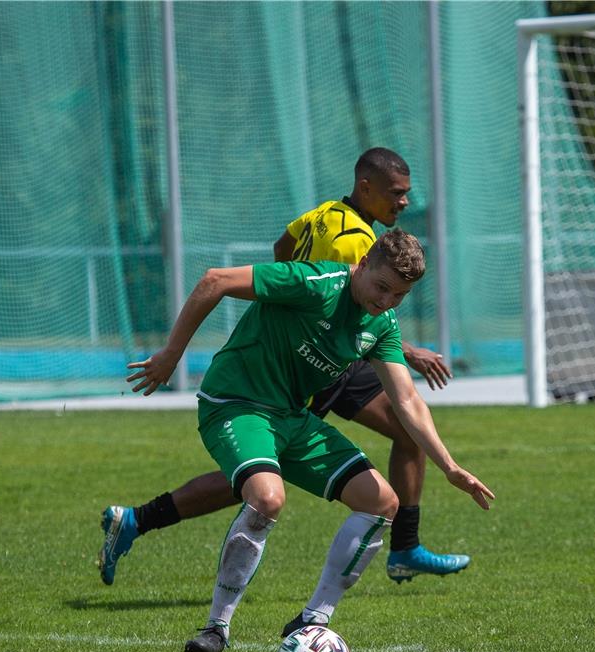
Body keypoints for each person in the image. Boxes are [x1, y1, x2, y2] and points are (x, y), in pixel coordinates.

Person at [97, 148, 468, 587]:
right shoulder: (358, 243)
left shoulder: (324, 215)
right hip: (315, 365)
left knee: (392, 433)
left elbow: (284, 249)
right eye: (396, 193)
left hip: (327, 356)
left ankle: (405, 545)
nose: (404, 202)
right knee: (260, 475)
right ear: (365, 187)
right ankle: (142, 523)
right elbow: (357, 306)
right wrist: (406, 351)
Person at [126, 228, 494, 652]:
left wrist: (450, 466)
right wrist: (171, 355)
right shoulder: (314, 283)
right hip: (236, 404)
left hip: (292, 418)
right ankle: (216, 628)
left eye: (400, 295)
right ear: (362, 266)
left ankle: (312, 621)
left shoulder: (381, 324)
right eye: (382, 287)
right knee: (266, 498)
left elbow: (407, 398)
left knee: (382, 502)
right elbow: (215, 281)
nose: (387, 301)